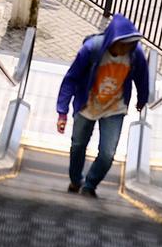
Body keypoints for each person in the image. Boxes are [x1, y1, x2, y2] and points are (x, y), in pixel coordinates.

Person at [56, 14, 150, 197]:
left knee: (108, 153)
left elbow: (142, 78)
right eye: (123, 44)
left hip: (115, 107)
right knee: (78, 145)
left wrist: (142, 100)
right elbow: (71, 79)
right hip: (87, 104)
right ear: (112, 40)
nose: (127, 48)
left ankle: (90, 185)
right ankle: (76, 180)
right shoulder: (92, 49)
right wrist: (62, 112)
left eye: (130, 44)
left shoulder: (135, 54)